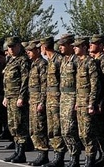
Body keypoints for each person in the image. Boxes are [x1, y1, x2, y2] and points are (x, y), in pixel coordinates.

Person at [73, 36, 100, 166]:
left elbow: (95, 85)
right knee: (82, 133)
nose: (74, 48)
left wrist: (92, 103)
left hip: (88, 102)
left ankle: (90, 159)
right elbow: (79, 85)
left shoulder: (90, 62)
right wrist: (77, 102)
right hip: (81, 102)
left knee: (88, 133)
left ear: (84, 47)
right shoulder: (79, 62)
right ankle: (88, 157)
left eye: (77, 46)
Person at [2, 36, 30, 163]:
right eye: (9, 47)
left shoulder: (23, 60)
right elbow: (6, 81)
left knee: (20, 125)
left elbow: (25, 80)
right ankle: (16, 151)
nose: (11, 49)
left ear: (19, 46)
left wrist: (21, 97)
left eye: (13, 46)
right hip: (10, 97)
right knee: (12, 125)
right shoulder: (10, 61)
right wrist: (5, 96)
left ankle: (21, 153)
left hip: (18, 97)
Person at [40, 36, 66, 167]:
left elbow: (64, 80)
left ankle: (59, 156)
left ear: (44, 47)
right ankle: (55, 154)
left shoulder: (59, 60)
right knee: (51, 128)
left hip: (57, 98)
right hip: (50, 98)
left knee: (57, 128)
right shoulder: (50, 60)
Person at [57, 33, 81, 167]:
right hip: (63, 98)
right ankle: (72, 155)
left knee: (70, 130)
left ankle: (75, 156)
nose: (60, 47)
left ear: (70, 46)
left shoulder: (77, 61)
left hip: (72, 98)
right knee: (63, 130)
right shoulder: (63, 60)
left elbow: (80, 82)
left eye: (63, 45)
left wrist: (77, 100)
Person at [26, 40, 50, 166]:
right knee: (33, 128)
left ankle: (43, 154)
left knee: (40, 127)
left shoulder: (42, 64)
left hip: (38, 100)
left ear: (37, 50)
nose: (28, 53)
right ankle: (39, 151)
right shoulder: (33, 64)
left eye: (30, 51)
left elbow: (44, 85)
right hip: (32, 99)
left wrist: (42, 102)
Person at [89, 34, 104, 166]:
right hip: (97, 99)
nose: (91, 45)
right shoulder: (94, 59)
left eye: (94, 43)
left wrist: (101, 102)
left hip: (102, 99)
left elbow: (103, 83)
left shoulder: (103, 60)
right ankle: (103, 154)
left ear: (101, 45)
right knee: (98, 130)